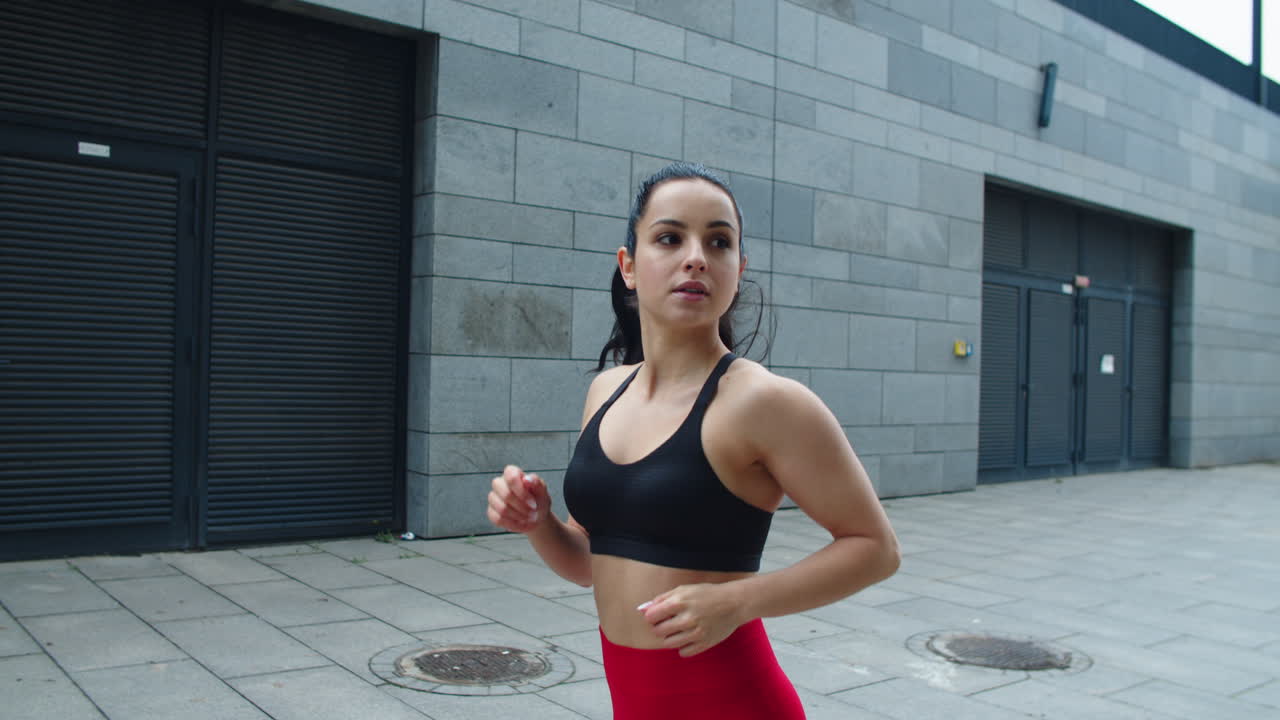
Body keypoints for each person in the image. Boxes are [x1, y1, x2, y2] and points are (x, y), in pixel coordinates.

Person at [487, 162, 900, 719]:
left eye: (719, 242)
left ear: (738, 269)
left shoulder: (765, 402)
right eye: (669, 237)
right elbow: (589, 563)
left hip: (734, 702)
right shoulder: (606, 392)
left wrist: (737, 601)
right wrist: (538, 523)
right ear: (628, 266)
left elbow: (876, 550)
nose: (697, 256)